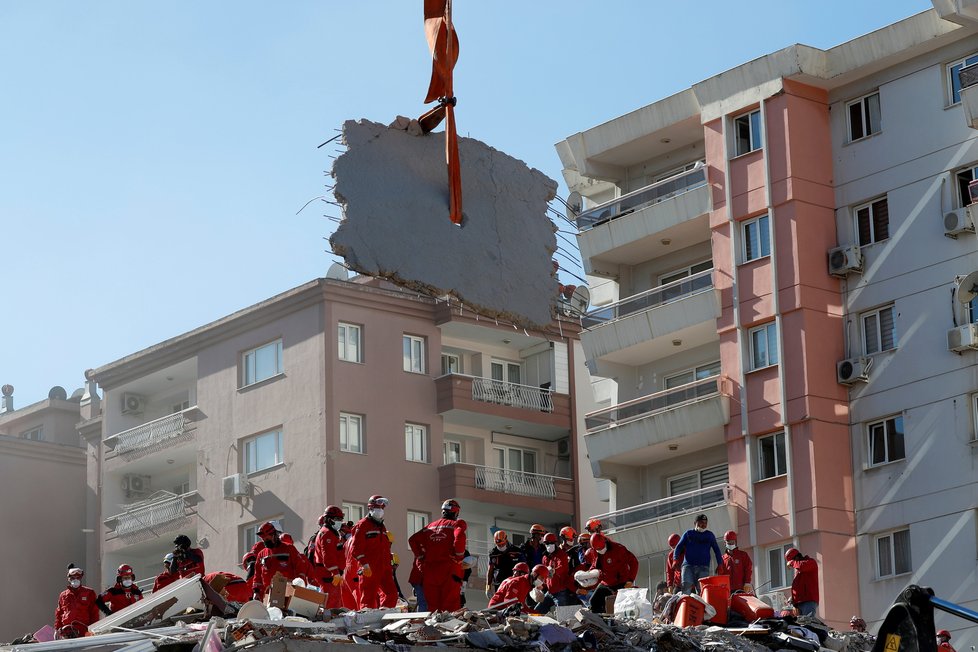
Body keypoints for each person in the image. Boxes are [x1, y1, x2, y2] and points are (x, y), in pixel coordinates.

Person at [409, 499, 467, 612]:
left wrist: (421, 557)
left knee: (432, 608)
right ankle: (448, 629)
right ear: (456, 512)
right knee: (450, 606)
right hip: (449, 570)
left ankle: (432, 628)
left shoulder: (430, 526)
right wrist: (459, 557)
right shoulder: (456, 524)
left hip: (430, 572)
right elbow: (459, 536)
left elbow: (412, 540)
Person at [349, 495, 398, 609]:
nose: (380, 511)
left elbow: (385, 548)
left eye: (382, 509)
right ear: (371, 509)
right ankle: (367, 622)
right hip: (369, 568)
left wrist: (389, 566)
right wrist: (365, 564)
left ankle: (384, 616)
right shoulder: (362, 525)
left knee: (392, 594)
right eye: (378, 508)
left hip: (384, 568)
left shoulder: (382, 526)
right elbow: (356, 548)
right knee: (368, 599)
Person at [253, 520, 310, 599]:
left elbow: (300, 568)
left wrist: (299, 586)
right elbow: (257, 576)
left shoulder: (289, 549)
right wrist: (256, 592)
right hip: (268, 595)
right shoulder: (261, 554)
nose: (264, 540)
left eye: (267, 538)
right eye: (263, 539)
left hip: (288, 593)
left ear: (275, 535)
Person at [584, 532, 638, 613]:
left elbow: (634, 562)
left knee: (618, 606)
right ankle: (599, 622)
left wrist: (630, 580)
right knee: (594, 601)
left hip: (621, 581)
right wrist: (589, 574)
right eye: (598, 549)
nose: (600, 551)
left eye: (601, 548)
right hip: (606, 582)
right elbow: (595, 566)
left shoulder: (618, 549)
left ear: (605, 542)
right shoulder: (594, 552)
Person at [674, 514, 722, 594]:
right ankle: (686, 604)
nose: (703, 525)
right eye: (700, 523)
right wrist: (675, 559)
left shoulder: (710, 535)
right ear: (695, 523)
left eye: (705, 523)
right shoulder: (688, 534)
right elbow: (678, 547)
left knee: (702, 590)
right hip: (688, 566)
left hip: (703, 567)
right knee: (686, 587)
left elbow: (716, 550)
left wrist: (720, 564)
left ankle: (701, 606)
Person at [313, 505, 347, 607]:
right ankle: (329, 620)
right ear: (329, 519)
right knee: (330, 602)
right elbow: (327, 556)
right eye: (337, 519)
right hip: (328, 573)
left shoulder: (332, 533)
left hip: (332, 572)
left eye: (341, 519)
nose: (339, 521)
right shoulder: (327, 534)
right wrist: (335, 572)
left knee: (336, 601)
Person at [54, 565, 100, 639]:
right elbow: (59, 613)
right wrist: (57, 629)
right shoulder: (63, 595)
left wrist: (93, 629)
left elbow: (94, 612)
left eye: (77, 578)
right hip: (67, 632)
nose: (75, 580)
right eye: (72, 578)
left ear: (81, 578)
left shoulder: (89, 593)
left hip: (84, 631)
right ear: (69, 579)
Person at [542, 532, 577, 606]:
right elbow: (543, 573)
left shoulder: (561, 554)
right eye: (546, 543)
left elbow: (563, 567)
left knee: (562, 614)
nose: (548, 545)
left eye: (550, 543)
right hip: (549, 591)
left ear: (555, 543)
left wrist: (554, 570)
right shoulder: (545, 557)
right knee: (537, 611)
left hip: (560, 591)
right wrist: (540, 585)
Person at [486, 530, 524, 599]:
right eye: (498, 545)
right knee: (499, 604)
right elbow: (490, 570)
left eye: (502, 544)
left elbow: (524, 567)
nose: (500, 546)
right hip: (499, 584)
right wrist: (488, 586)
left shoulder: (517, 552)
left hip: (513, 583)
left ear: (506, 540)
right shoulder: (493, 553)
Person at [785, 547, 819, 617]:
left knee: (808, 625)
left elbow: (801, 566)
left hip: (808, 601)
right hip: (798, 603)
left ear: (797, 557)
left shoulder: (810, 562)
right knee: (800, 627)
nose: (793, 565)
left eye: (793, 560)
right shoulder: (798, 571)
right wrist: (793, 601)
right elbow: (797, 587)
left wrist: (791, 562)